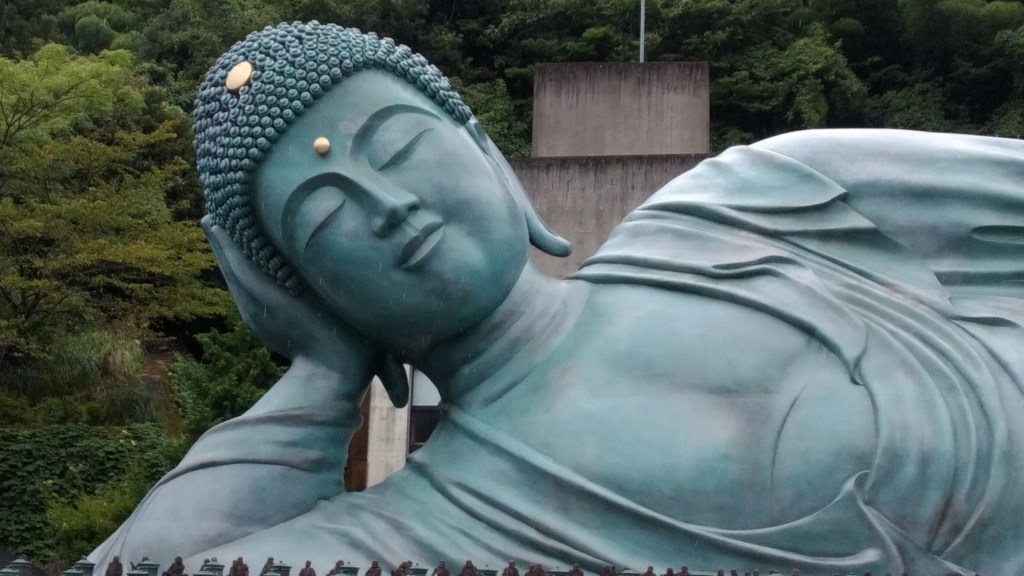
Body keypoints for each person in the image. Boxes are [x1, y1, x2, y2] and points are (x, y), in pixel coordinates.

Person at [89, 21, 1024, 576]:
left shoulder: (764, 203)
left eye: (399, 144)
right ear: (304, 292)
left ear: (487, 149)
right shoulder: (426, 527)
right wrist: (320, 373)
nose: (387, 204)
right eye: (321, 218)